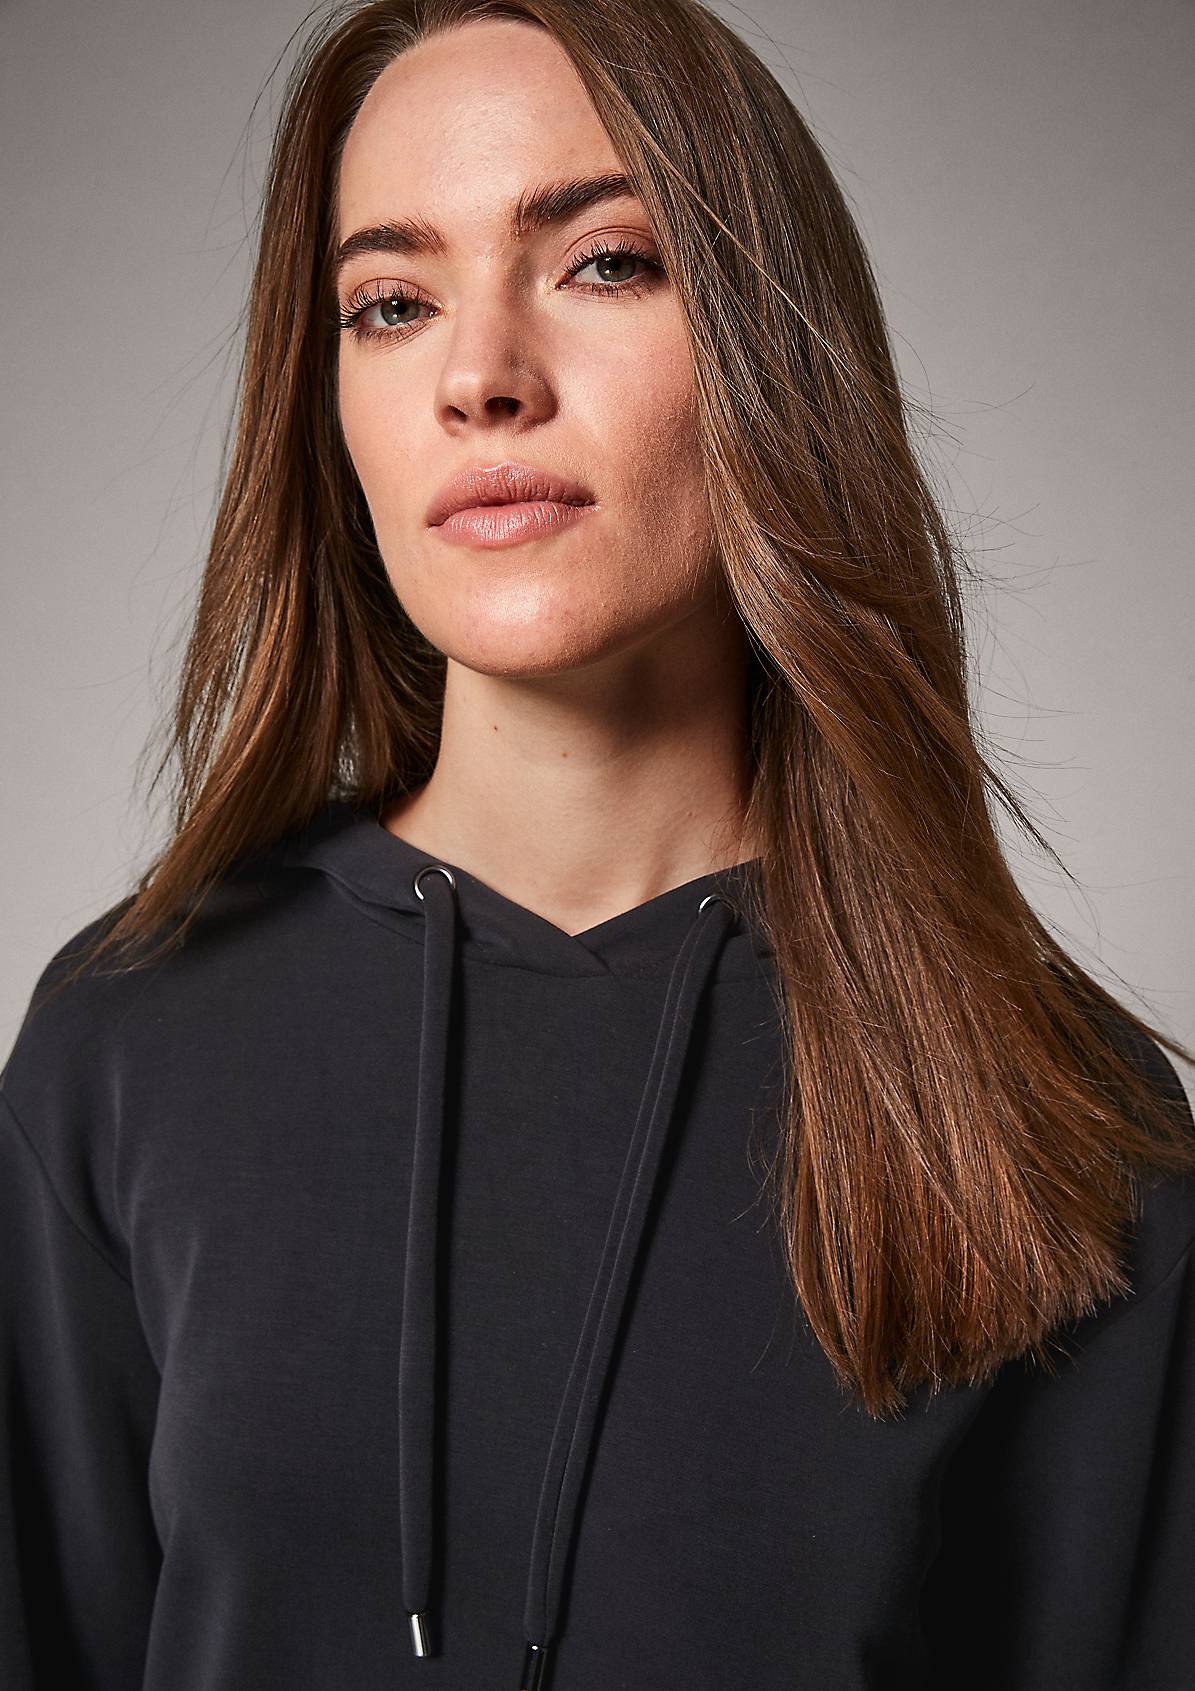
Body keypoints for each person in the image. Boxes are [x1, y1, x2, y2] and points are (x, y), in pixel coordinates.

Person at [2, 1, 1193, 1687]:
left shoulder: (1051, 1117)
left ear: (769, 355)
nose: (482, 375)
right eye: (393, 302)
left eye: (604, 264)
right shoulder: (130, 1046)